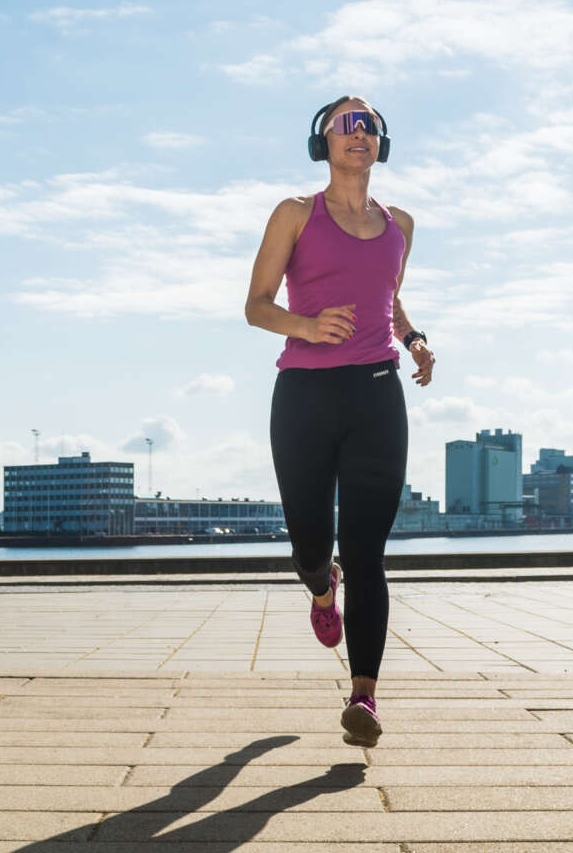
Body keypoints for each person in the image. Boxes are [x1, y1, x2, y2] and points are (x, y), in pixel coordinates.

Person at [244, 95, 435, 747]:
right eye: (346, 124)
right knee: (309, 544)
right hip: (304, 395)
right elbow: (257, 305)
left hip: (378, 394)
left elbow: (390, 298)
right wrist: (308, 325)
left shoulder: (401, 224)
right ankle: (321, 592)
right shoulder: (296, 215)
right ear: (321, 141)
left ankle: (365, 698)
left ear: (383, 141)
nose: (360, 132)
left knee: (367, 553)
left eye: (371, 123)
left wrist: (413, 342)